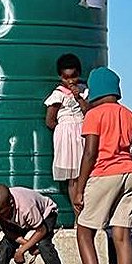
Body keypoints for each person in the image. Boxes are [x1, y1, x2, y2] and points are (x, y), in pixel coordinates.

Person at [73, 67, 132, 264]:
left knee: (84, 231)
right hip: (130, 175)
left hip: (104, 175)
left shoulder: (94, 115)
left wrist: (80, 188)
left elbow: (90, 152)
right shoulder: (131, 116)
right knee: (122, 236)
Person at [44, 53, 89, 206]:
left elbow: (89, 113)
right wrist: (63, 132)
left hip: (83, 132)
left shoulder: (84, 91)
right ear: (60, 76)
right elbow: (50, 120)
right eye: (66, 77)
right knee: (74, 178)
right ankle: (78, 215)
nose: (70, 81)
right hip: (67, 136)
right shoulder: (58, 94)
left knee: (87, 173)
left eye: (73, 76)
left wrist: (79, 98)